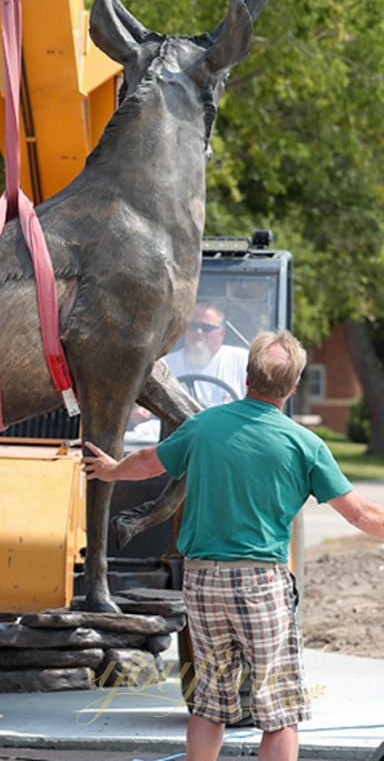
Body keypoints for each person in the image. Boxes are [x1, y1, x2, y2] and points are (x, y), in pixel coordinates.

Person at [85, 329, 384, 761]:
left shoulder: (203, 426)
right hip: (261, 585)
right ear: (294, 386)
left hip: (203, 581)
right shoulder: (305, 445)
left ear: (248, 377)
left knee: (210, 702)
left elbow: (150, 461)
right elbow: (362, 515)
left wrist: (112, 471)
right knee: (278, 711)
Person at [128, 301, 247, 442]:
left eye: (206, 328)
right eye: (193, 326)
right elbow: (141, 410)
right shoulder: (164, 365)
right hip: (176, 445)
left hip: (227, 443)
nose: (198, 332)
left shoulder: (242, 361)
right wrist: (138, 413)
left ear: (221, 333)